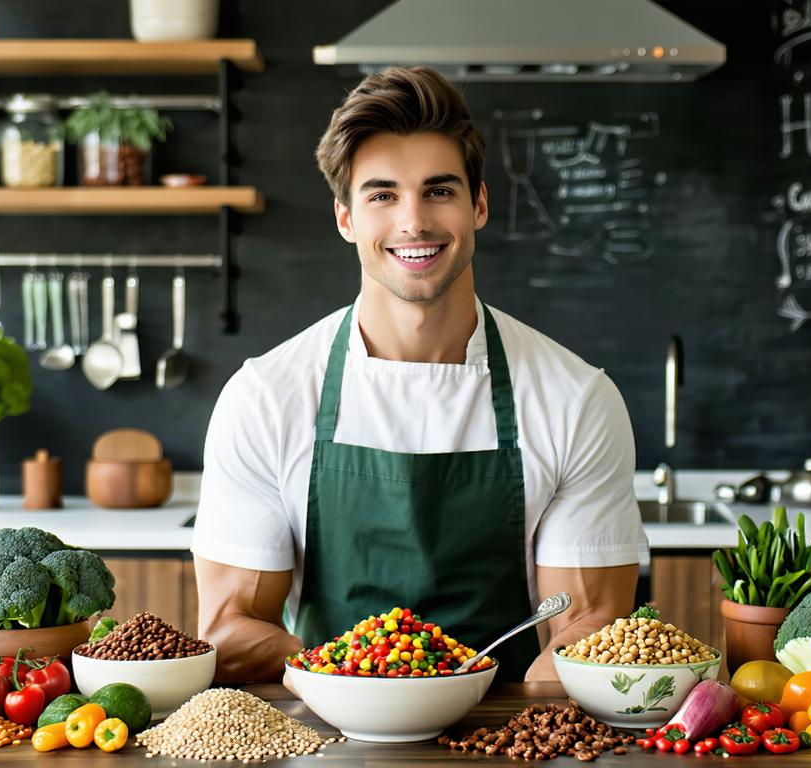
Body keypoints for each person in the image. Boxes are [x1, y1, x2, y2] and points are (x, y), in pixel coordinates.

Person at [192, 65, 644, 684]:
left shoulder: (575, 399)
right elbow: (230, 631)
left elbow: (587, 627)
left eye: (439, 190)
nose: (414, 222)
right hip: (330, 735)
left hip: (508, 737)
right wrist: (362, 686)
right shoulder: (265, 397)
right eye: (382, 194)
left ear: (478, 204)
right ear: (346, 218)